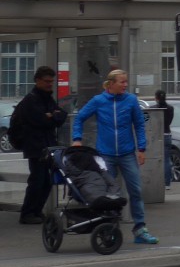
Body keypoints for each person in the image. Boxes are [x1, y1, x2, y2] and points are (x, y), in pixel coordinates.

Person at [71, 69, 158, 244]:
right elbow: (79, 118)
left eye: (126, 82)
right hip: (106, 154)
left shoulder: (131, 100)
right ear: (111, 84)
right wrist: (77, 140)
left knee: (136, 191)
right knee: (107, 195)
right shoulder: (99, 101)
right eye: (122, 82)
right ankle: (108, 230)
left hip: (127, 154)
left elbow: (139, 125)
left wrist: (141, 149)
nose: (125, 85)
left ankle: (140, 229)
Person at [10, 66, 68, 225]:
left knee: (47, 181)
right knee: (37, 180)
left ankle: (36, 211)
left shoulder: (47, 98)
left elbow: (61, 116)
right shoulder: (31, 100)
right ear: (37, 80)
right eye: (47, 81)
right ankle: (28, 213)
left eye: (52, 81)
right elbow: (41, 121)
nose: (50, 84)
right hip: (35, 147)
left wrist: (51, 116)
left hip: (48, 146)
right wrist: (51, 116)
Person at [154, 90, 175, 190]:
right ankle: (167, 183)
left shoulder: (153, 109)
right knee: (166, 159)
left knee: (155, 159)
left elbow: (146, 119)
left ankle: (156, 181)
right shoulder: (170, 108)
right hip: (167, 133)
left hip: (157, 135)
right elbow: (170, 121)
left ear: (156, 98)